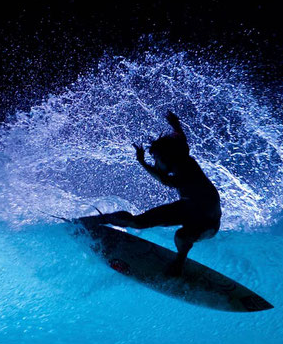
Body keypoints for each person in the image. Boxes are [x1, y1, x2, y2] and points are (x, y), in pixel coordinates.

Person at [81, 111, 221, 276]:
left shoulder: (185, 168)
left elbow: (166, 181)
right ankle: (98, 220)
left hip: (207, 222)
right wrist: (176, 124)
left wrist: (142, 163)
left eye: (157, 159)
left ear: (167, 157)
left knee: (182, 236)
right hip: (188, 208)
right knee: (137, 222)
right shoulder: (181, 151)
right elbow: (180, 137)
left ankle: (178, 264)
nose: (156, 163)